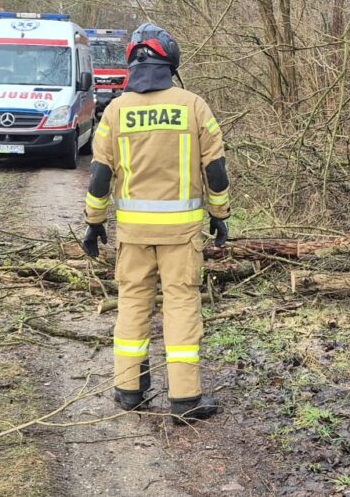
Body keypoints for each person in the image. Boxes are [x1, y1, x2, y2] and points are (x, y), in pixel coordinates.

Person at [81, 23, 230, 422]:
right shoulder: (193, 106)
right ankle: (185, 399)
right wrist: (220, 215)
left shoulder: (116, 111)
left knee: (132, 305)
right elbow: (216, 170)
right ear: (171, 62)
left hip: (133, 235)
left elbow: (99, 174)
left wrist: (94, 222)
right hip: (181, 235)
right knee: (181, 307)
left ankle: (129, 390)